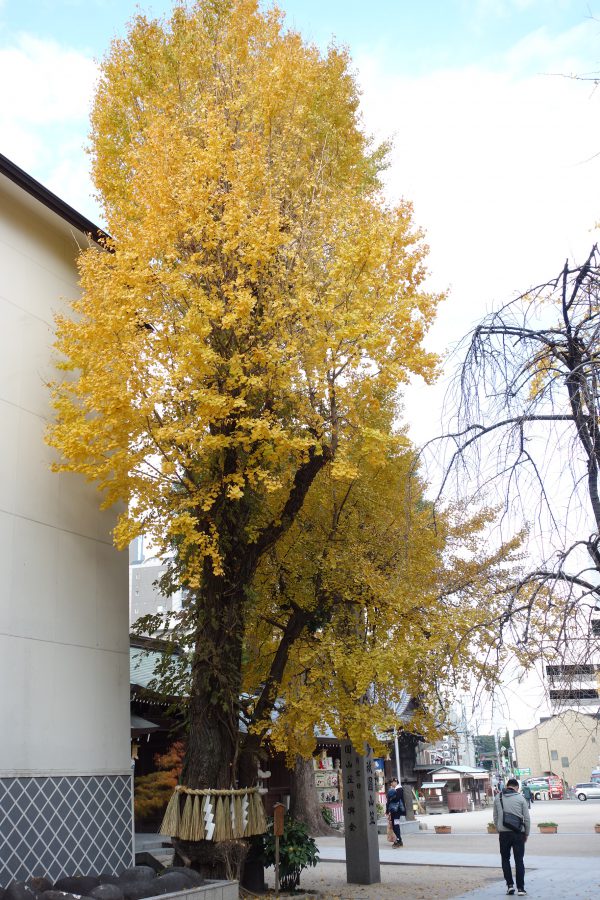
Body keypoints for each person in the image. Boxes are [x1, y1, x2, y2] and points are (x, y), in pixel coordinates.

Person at [493, 777, 530, 896]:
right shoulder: (520, 798)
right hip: (518, 833)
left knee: (505, 859)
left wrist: (499, 829)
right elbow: (527, 819)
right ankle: (521, 888)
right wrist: (526, 833)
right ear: (516, 787)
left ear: (507, 785)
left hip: (504, 834)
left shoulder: (498, 798)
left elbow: (495, 817)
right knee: (519, 860)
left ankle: (509, 886)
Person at [386, 782, 405, 848]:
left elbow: (393, 801)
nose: (391, 783)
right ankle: (398, 840)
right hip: (394, 812)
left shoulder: (398, 790)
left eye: (392, 782)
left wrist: (387, 811)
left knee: (396, 826)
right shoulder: (394, 791)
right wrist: (388, 811)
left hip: (396, 812)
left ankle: (398, 840)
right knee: (395, 826)